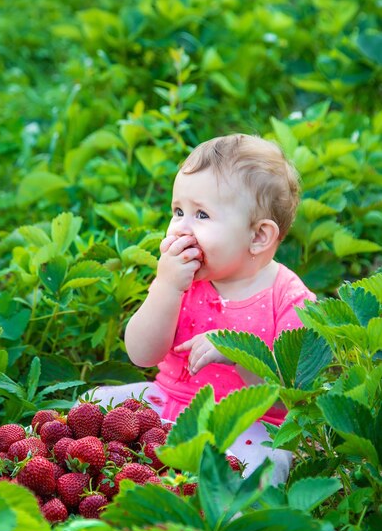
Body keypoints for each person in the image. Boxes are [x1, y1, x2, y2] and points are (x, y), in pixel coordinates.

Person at [92, 133, 316, 485]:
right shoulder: (180, 279)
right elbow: (142, 354)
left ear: (258, 236)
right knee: (96, 403)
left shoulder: (289, 299)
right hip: (168, 403)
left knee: (263, 462)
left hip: (246, 425)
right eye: (178, 211)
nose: (181, 226)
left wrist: (239, 355)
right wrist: (166, 287)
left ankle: (220, 516)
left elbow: (289, 400)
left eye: (201, 214)